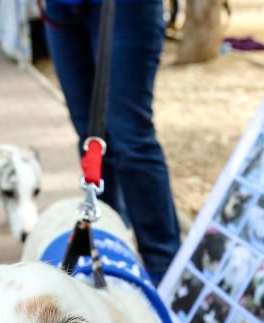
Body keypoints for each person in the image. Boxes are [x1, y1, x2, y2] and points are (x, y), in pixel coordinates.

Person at [43, 0, 181, 284]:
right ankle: (108, 258)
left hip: (125, 7)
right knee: (89, 135)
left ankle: (167, 277)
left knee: (130, 136)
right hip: (59, 6)